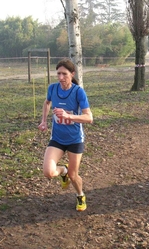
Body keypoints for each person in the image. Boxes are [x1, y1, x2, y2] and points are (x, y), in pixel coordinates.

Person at [38, 58, 93, 212]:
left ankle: (80, 195)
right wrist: (44, 121)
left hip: (75, 139)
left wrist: (69, 116)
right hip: (57, 138)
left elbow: (89, 118)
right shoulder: (53, 88)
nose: (61, 77)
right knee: (48, 172)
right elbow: (47, 102)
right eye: (58, 74)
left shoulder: (78, 92)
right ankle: (63, 171)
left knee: (74, 176)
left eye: (64, 74)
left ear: (72, 74)